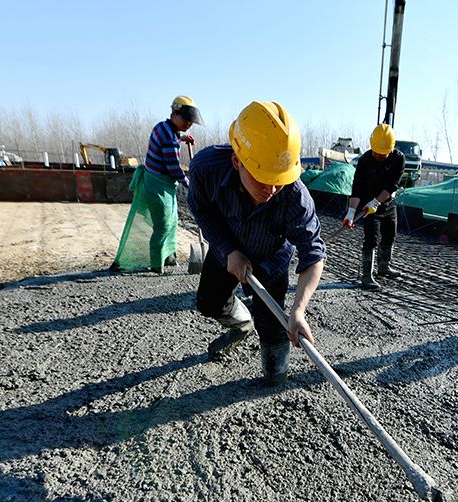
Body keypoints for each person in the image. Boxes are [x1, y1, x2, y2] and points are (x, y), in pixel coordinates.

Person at [187, 101, 326, 386]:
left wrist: (298, 310)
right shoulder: (206, 169)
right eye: (263, 178)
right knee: (209, 303)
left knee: (272, 324)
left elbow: (313, 254)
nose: (272, 189)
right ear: (237, 162)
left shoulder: (295, 196)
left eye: (279, 180)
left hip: (272, 256)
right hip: (226, 247)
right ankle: (241, 323)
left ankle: (275, 375)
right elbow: (201, 208)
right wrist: (229, 249)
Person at [110, 96, 202, 274]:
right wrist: (191, 185)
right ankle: (156, 264)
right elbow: (174, 169)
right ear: (174, 113)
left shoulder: (164, 127)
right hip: (157, 186)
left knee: (172, 221)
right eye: (186, 119)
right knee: (163, 225)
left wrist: (182, 137)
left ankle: (168, 257)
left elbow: (172, 138)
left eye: (191, 120)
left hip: (162, 184)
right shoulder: (168, 137)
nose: (189, 123)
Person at [343, 123, 405, 290]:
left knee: (390, 235)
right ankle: (367, 276)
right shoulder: (364, 161)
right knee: (371, 239)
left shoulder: (398, 159)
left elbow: (392, 185)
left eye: (382, 154)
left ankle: (384, 267)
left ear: (391, 149)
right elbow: (357, 187)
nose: (378, 155)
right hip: (367, 205)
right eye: (375, 151)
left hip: (387, 203)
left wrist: (377, 201)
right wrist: (351, 212)